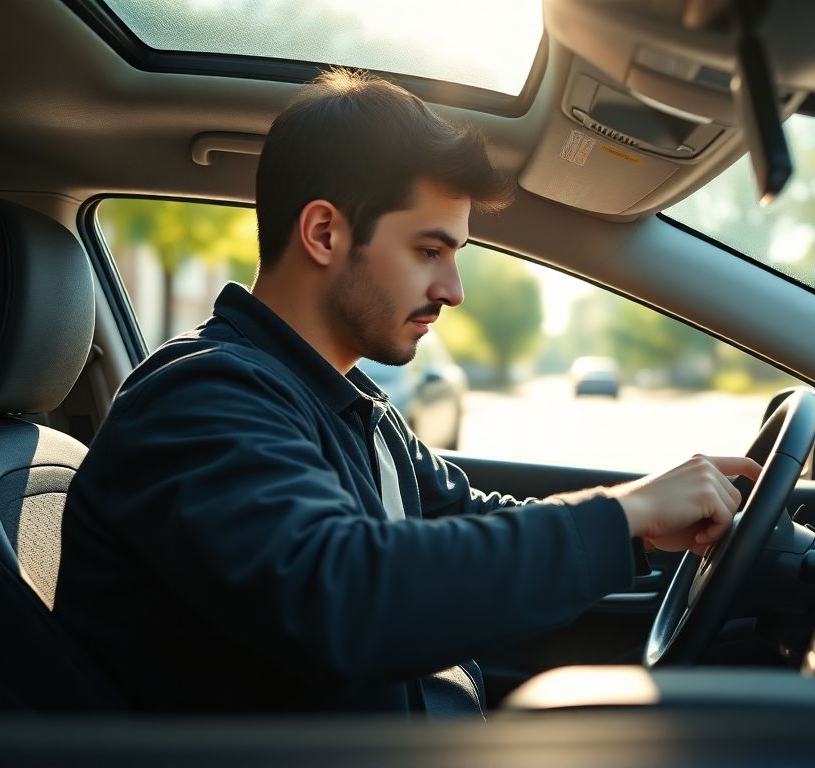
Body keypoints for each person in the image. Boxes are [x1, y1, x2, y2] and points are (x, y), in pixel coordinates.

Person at [53, 69, 759, 715]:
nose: (452, 290)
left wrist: (639, 523)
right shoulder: (200, 400)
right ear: (325, 232)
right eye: (430, 251)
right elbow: (347, 597)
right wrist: (620, 513)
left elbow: (463, 521)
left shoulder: (344, 404)